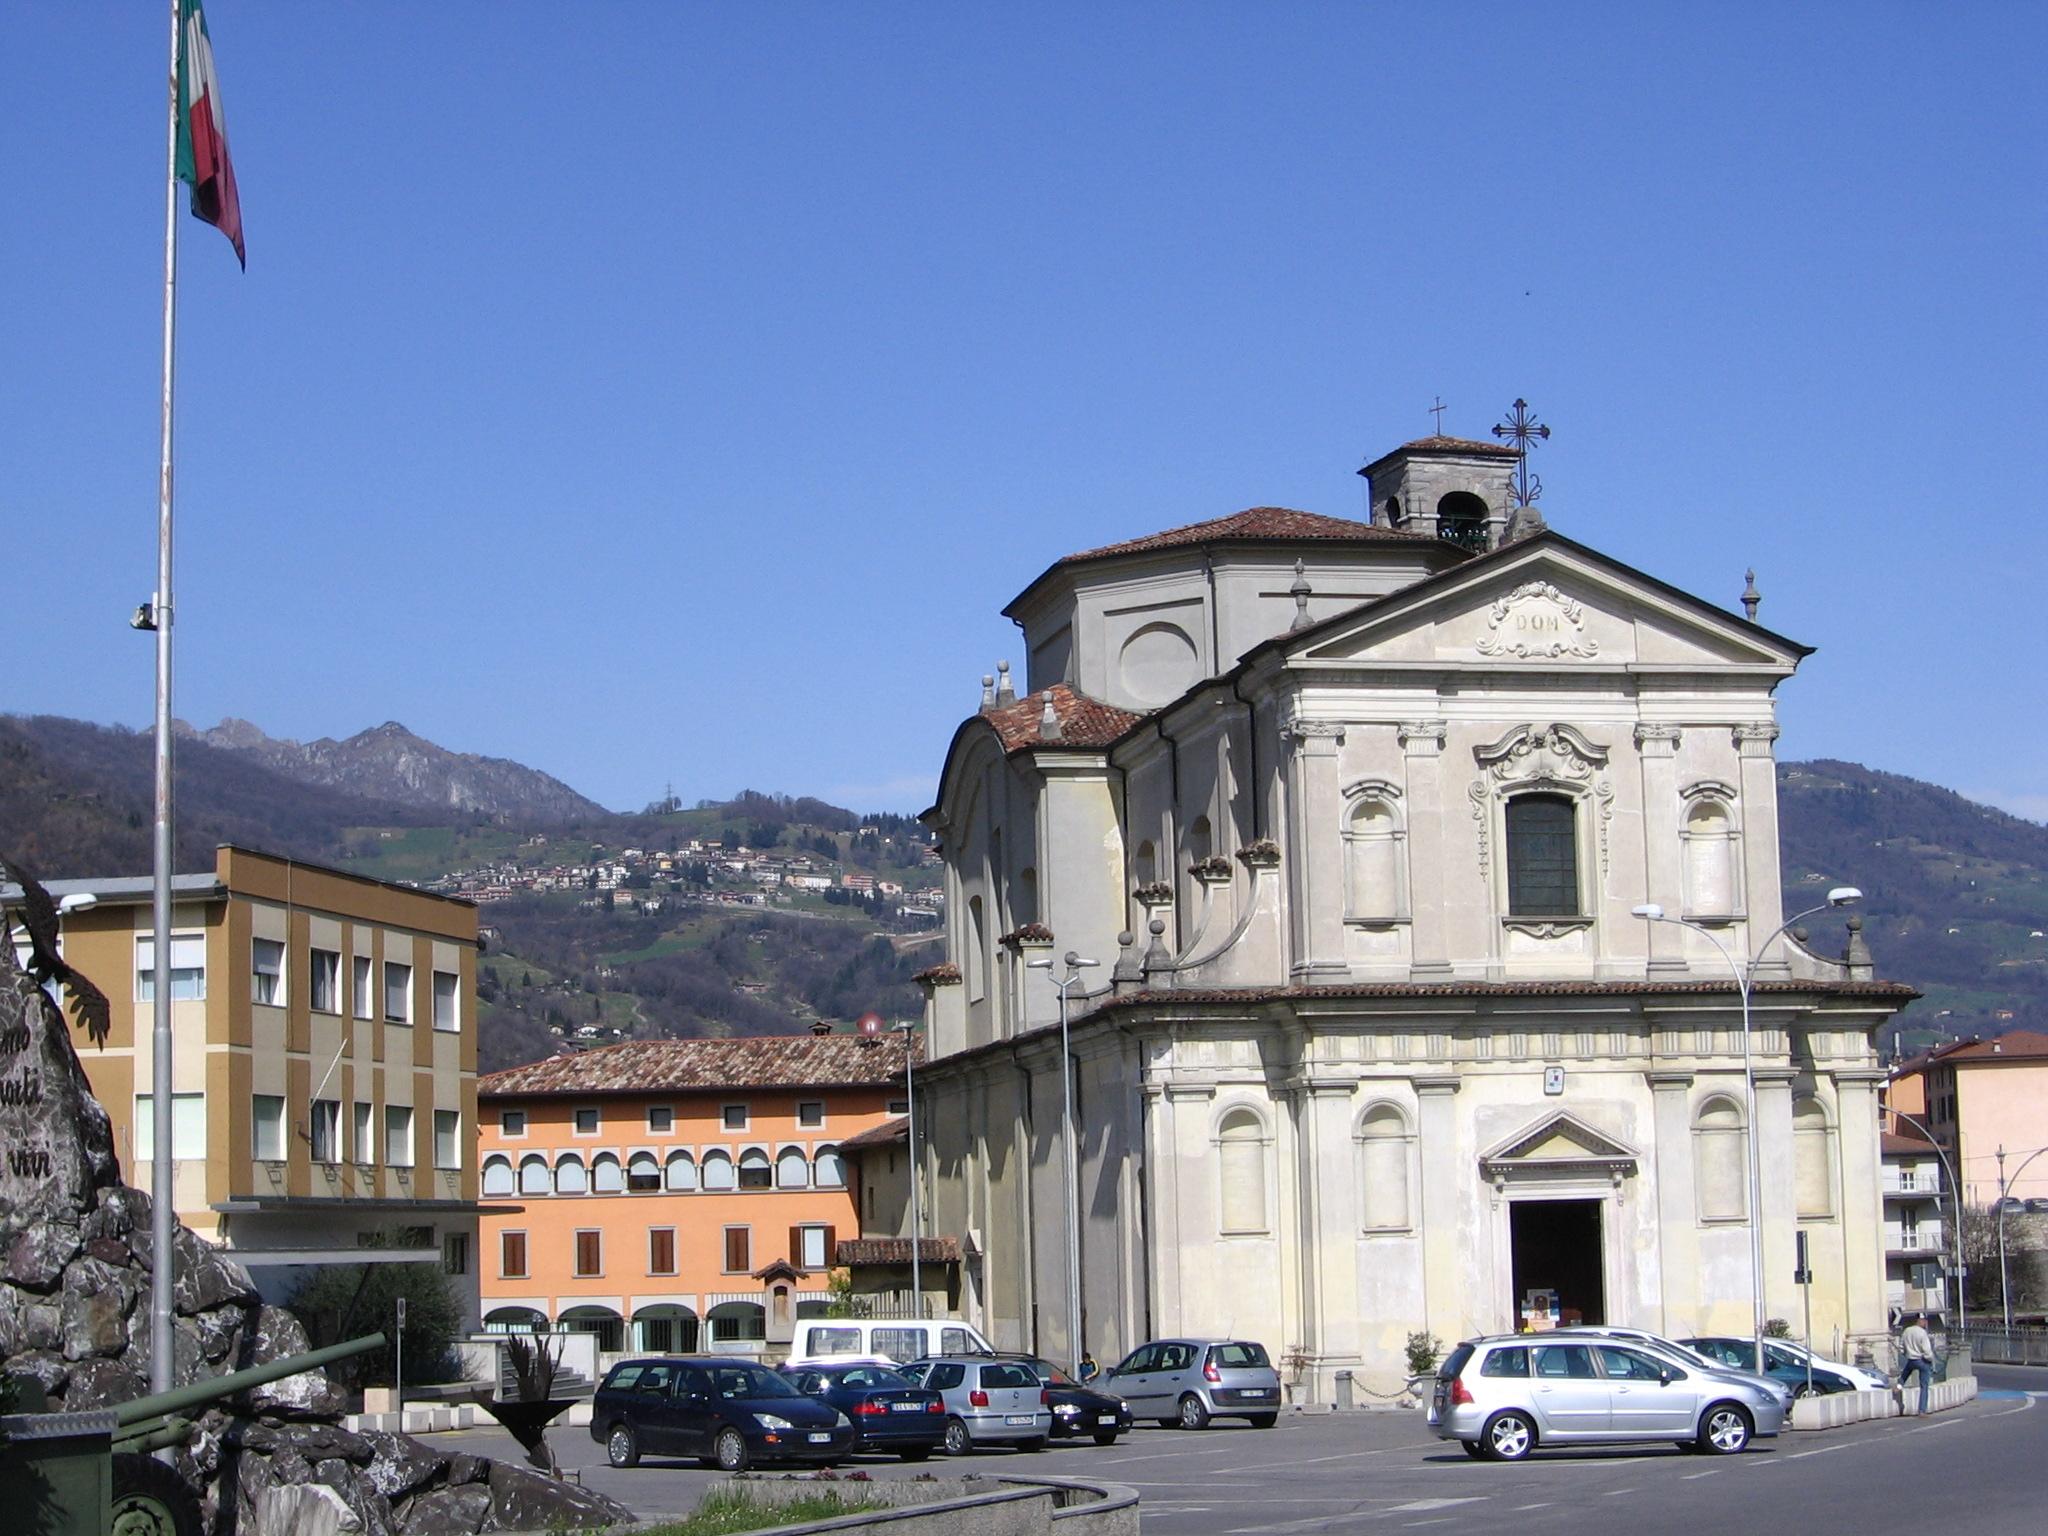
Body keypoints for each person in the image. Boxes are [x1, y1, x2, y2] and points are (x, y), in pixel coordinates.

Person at [1896, 1312, 1935, 1415]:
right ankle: (1922, 1410)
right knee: (1924, 1386)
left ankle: (1898, 1387)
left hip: (1911, 1360)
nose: (1925, 1323)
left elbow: (1901, 1347)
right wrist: (1930, 1359)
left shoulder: (1907, 1331)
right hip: (1921, 1360)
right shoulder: (1922, 1333)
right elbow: (1927, 1351)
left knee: (1904, 1376)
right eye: (1925, 1321)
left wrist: (1906, 1353)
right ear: (1921, 1321)